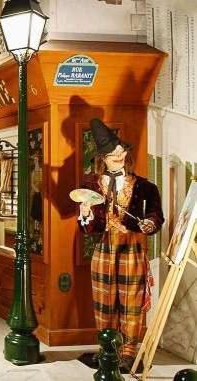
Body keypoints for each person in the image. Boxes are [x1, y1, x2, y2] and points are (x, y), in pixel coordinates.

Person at [77, 118, 164, 373]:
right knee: (104, 302)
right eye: (111, 153)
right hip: (104, 250)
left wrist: (148, 224)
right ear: (102, 158)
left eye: (121, 150)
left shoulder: (145, 186)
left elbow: (156, 215)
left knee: (131, 303)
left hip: (133, 250)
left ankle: (128, 353)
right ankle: (108, 349)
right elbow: (86, 228)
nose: (118, 155)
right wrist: (86, 213)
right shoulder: (91, 187)